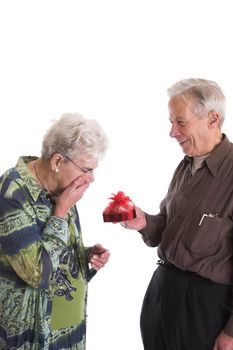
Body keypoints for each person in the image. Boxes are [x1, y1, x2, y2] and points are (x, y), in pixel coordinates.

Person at [121, 78, 233, 350]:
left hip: (203, 307)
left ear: (212, 118)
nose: (172, 132)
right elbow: (166, 226)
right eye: (171, 122)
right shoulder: (186, 166)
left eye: (180, 122)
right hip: (161, 290)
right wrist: (143, 221)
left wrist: (231, 332)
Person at [0, 112, 110, 349]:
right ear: (57, 161)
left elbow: (53, 245)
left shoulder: (62, 186)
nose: (90, 179)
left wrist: (83, 254)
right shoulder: (12, 193)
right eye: (86, 169)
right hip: (36, 336)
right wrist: (60, 211)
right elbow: (38, 274)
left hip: (71, 331)